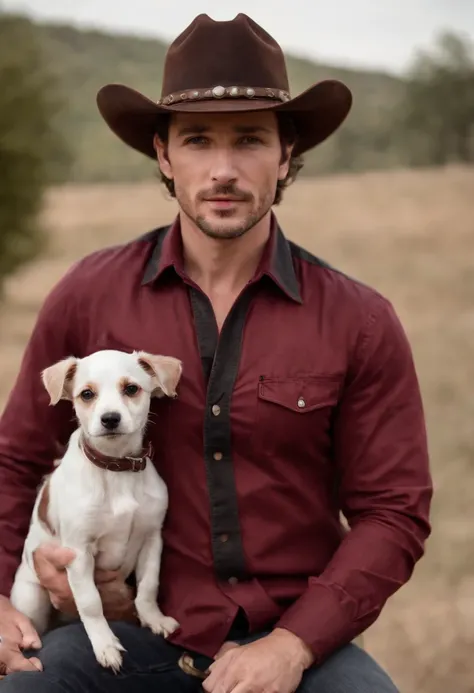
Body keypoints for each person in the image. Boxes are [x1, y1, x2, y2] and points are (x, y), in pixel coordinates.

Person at [0, 12, 432, 693]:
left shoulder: (360, 320)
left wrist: (293, 644)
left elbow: (394, 512)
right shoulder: (87, 295)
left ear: (286, 153)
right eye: (198, 140)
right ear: (164, 155)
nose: (223, 170)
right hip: (122, 632)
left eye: (251, 140)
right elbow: (17, 459)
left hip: (293, 638)